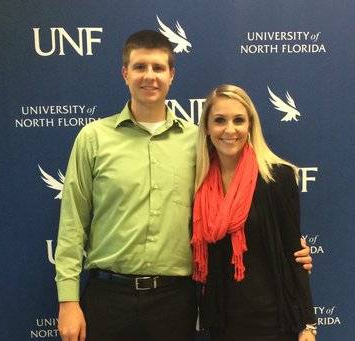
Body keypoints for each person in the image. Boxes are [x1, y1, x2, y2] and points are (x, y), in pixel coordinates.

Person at [55, 31, 313, 341]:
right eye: (140, 67)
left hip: (175, 301)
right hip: (109, 296)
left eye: (158, 68)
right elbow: (72, 225)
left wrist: (292, 252)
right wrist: (68, 301)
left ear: (171, 75)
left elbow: (235, 204)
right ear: (125, 73)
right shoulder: (93, 138)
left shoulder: (200, 144)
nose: (149, 76)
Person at [192, 84, 317, 341]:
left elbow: (295, 255)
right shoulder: (198, 183)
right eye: (219, 120)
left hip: (274, 323)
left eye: (239, 120)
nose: (230, 130)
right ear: (206, 127)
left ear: (250, 125)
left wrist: (307, 324)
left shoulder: (277, 177)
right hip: (222, 324)